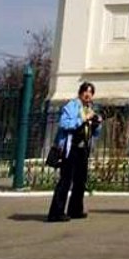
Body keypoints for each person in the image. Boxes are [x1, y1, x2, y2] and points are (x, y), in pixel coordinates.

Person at [47, 81, 102, 222]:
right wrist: (82, 119)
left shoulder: (90, 108)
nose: (88, 94)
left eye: (91, 92)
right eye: (85, 91)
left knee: (80, 180)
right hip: (70, 147)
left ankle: (75, 209)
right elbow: (64, 124)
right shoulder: (72, 106)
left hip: (83, 147)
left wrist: (97, 124)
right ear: (80, 93)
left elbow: (94, 133)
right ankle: (56, 212)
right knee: (66, 180)